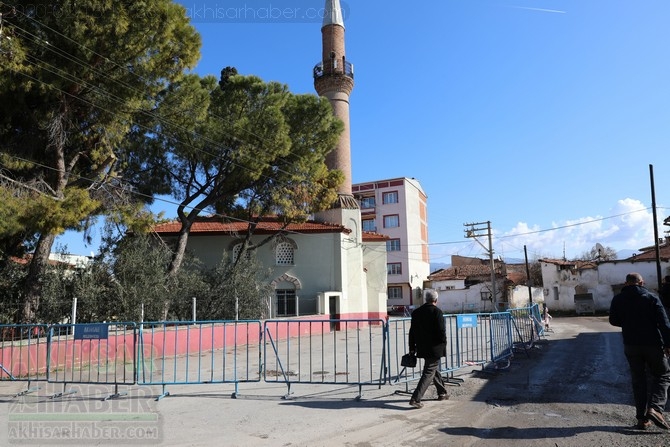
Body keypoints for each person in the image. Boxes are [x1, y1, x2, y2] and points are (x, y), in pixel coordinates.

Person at [609, 272, 670, 430]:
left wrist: (629, 323)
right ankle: (655, 408)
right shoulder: (651, 297)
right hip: (653, 344)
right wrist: (668, 344)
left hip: (631, 344)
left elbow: (613, 320)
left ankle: (641, 419)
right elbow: (664, 323)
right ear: (641, 283)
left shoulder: (618, 299)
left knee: (638, 381)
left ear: (626, 283)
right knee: (663, 375)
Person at [407, 289, 448, 409]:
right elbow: (441, 331)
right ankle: (415, 398)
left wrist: (412, 347)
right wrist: (443, 343)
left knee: (433, 368)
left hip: (422, 347)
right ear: (436, 300)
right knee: (429, 371)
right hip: (435, 347)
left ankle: (442, 393)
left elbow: (412, 332)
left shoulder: (416, 312)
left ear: (426, 299)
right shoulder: (437, 312)